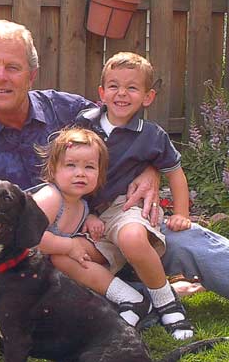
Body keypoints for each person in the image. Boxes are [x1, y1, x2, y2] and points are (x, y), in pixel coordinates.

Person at [0, 19, 229, 300]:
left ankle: (152, 293)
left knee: (179, 239)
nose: (0, 77)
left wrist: (150, 169)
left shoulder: (67, 109)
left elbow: (126, 127)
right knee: (65, 297)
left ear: (32, 74)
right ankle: (153, 297)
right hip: (45, 258)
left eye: (12, 67)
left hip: (111, 224)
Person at [76, 52, 194, 339]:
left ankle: (166, 300)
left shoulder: (151, 136)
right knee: (68, 256)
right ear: (102, 93)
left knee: (131, 237)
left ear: (147, 97)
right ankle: (131, 299)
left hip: (125, 207)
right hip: (87, 211)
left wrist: (182, 213)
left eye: (132, 87)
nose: (122, 93)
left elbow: (175, 173)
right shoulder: (84, 124)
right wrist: (85, 213)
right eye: (114, 86)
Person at [29, 127, 153, 329]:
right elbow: (31, 236)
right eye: (71, 165)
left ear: (100, 174)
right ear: (53, 170)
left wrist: (91, 217)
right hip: (19, 268)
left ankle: (131, 300)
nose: (80, 173)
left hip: (49, 274)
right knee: (63, 257)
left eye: (89, 167)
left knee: (65, 260)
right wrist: (68, 246)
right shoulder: (50, 197)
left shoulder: (81, 204)